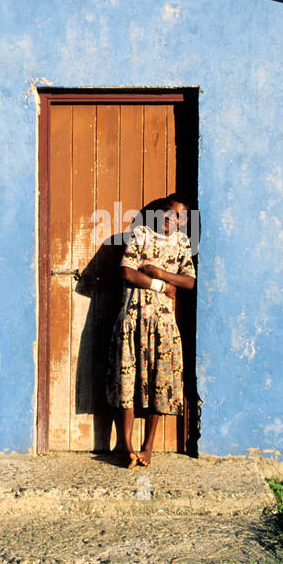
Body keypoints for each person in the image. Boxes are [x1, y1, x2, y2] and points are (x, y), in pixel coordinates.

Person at [105, 192, 197, 468]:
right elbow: (127, 272)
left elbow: (189, 282)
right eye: (169, 212)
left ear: (185, 221)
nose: (172, 219)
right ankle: (126, 447)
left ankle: (148, 448)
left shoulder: (182, 243)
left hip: (164, 323)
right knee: (127, 380)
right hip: (132, 317)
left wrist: (159, 273)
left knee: (159, 380)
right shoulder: (141, 234)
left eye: (179, 216)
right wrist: (160, 287)